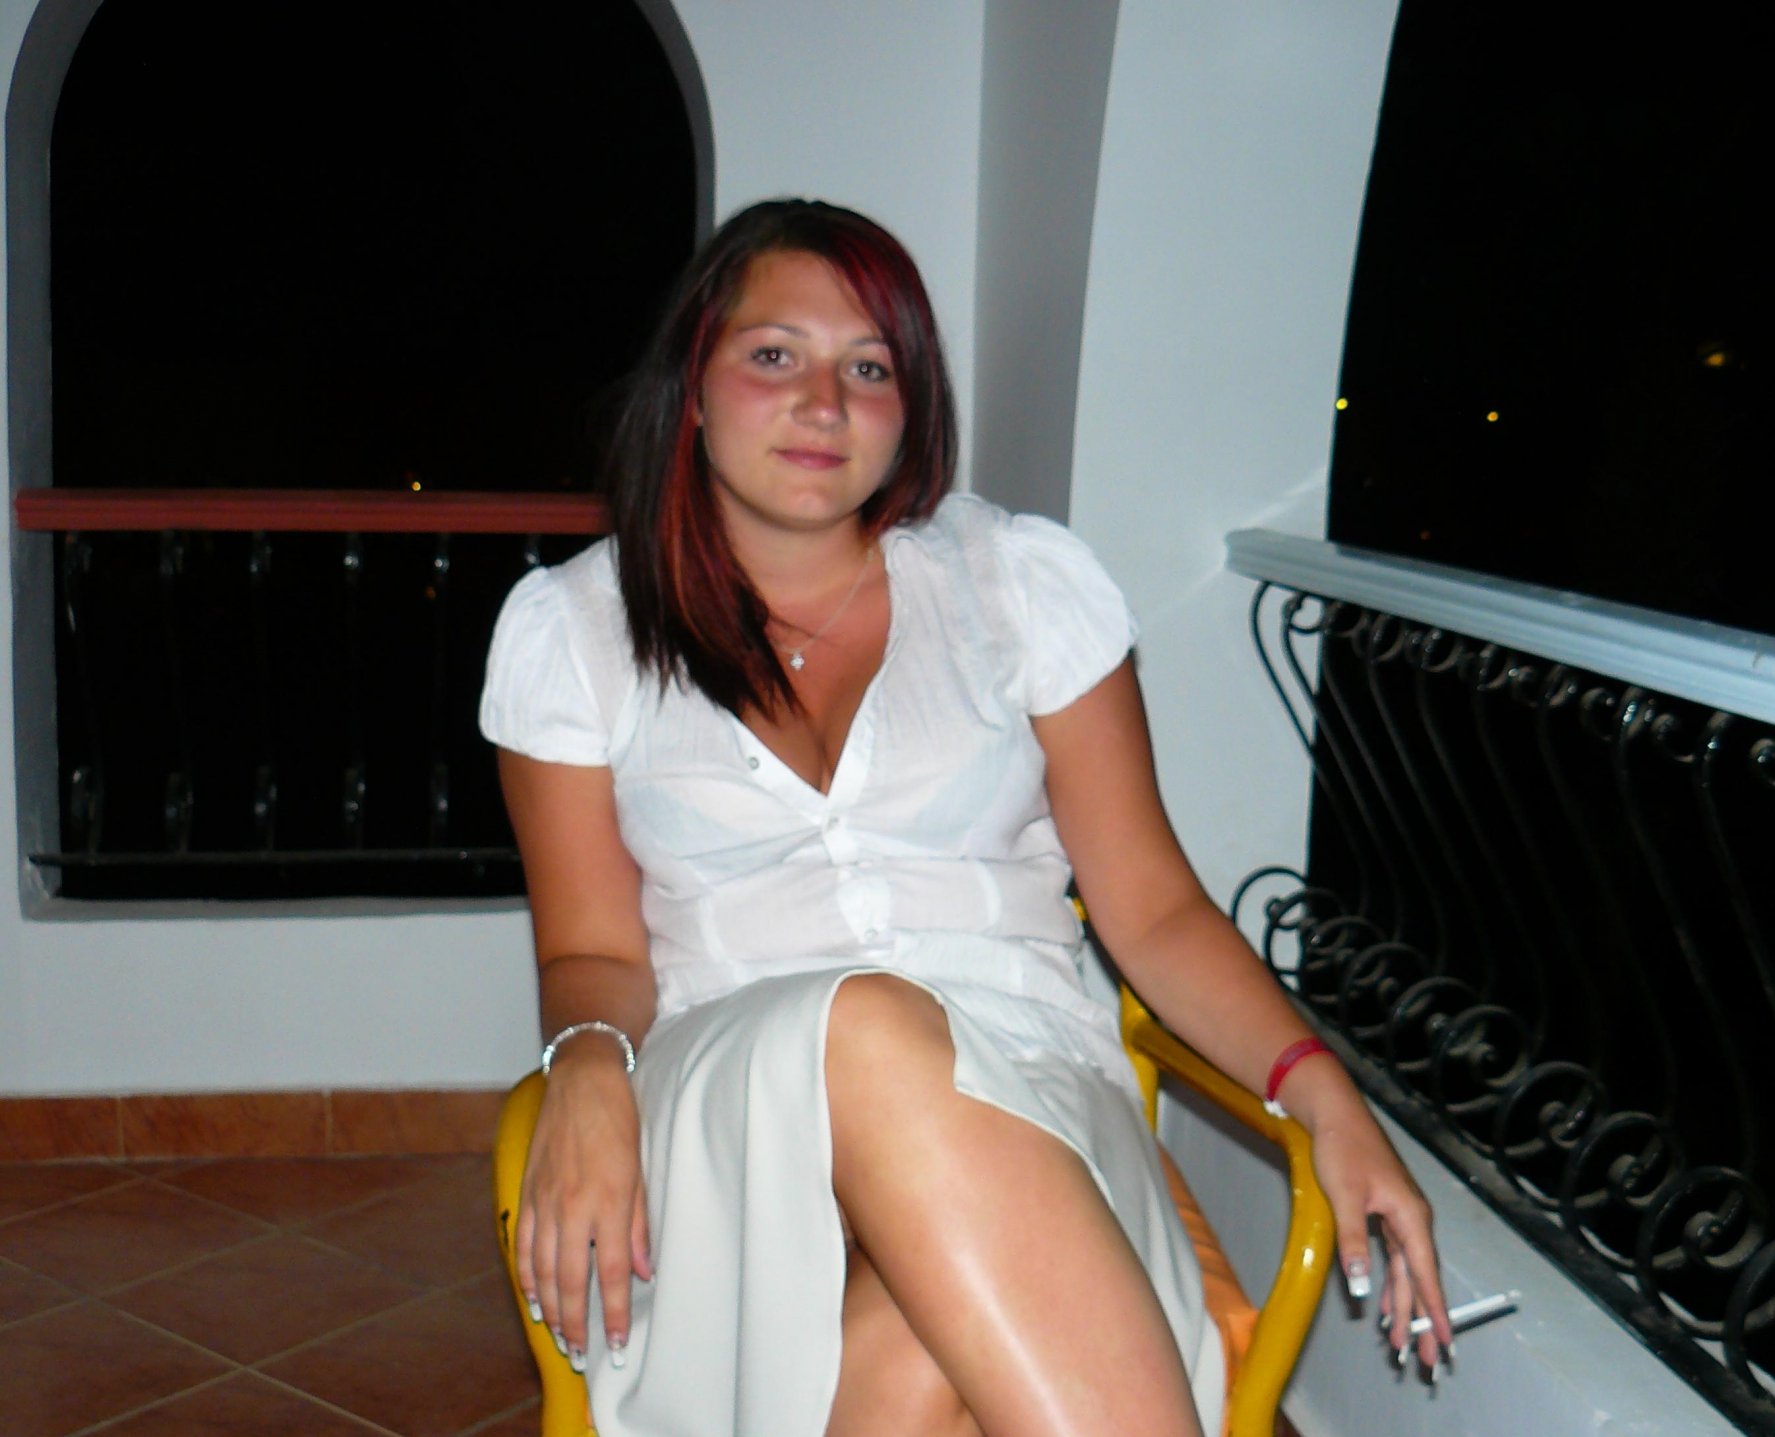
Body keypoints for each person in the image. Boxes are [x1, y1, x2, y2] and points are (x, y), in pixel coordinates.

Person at [480, 198, 1451, 1437]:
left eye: (868, 369)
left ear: (912, 409)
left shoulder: (1014, 584)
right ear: (695, 389)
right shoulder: (574, 632)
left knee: (919, 1358)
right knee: (866, 1019)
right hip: (732, 1104)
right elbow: (589, 949)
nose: (823, 403)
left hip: (1029, 1076)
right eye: (775, 355)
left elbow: (1152, 909)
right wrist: (585, 1068)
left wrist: (1326, 1096)